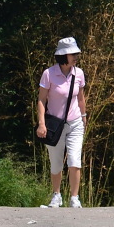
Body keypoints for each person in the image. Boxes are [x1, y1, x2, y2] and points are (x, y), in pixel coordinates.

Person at [37, 37, 87, 208]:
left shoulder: (78, 73)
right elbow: (41, 100)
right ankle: (56, 195)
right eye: (73, 54)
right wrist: (41, 124)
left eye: (76, 54)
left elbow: (80, 98)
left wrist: (84, 116)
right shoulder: (48, 74)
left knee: (74, 160)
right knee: (56, 161)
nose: (75, 57)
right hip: (54, 125)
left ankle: (74, 198)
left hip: (74, 123)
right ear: (63, 55)